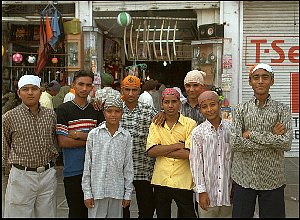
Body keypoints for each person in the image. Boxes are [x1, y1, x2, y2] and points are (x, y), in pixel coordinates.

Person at [231, 63, 292, 218]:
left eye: (265, 77)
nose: (260, 81)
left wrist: (251, 134)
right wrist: (272, 136)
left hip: (272, 179)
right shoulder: (240, 110)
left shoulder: (282, 110)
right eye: (256, 77)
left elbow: (286, 143)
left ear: (272, 81)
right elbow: (236, 143)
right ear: (250, 81)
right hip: (244, 178)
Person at [2, 75, 59, 217]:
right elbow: (5, 146)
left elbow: (53, 140)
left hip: (47, 174)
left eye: (34, 89)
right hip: (22, 175)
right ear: (19, 93)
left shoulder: (50, 115)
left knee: (48, 214)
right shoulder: (9, 117)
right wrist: (10, 172)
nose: (30, 92)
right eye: (25, 89)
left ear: (40, 91)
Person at [56, 70, 105, 218]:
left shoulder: (97, 110)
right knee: (76, 212)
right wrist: (92, 138)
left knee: (96, 213)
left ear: (92, 87)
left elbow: (103, 140)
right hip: (73, 170)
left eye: (88, 85)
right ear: (73, 85)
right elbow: (63, 141)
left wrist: (78, 135)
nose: (84, 88)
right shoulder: (63, 110)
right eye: (81, 84)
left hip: (96, 172)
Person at [146, 88, 197, 218]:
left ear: (179, 103)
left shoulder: (190, 124)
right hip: (161, 179)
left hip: (183, 180)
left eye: (174, 101)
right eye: (166, 102)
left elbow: (189, 154)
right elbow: (151, 151)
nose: (170, 105)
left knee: (188, 215)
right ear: (161, 104)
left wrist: (161, 150)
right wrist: (177, 146)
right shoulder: (156, 124)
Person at [82, 96, 134, 218]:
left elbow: (128, 167)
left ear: (122, 113)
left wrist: (127, 193)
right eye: (109, 111)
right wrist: (87, 193)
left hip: (117, 190)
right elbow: (87, 165)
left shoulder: (125, 136)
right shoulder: (94, 134)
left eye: (117, 111)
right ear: (104, 112)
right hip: (97, 190)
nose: (113, 115)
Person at [189, 91, 233, 218]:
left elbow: (236, 159)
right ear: (200, 109)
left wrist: (235, 186)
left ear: (219, 104)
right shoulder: (198, 133)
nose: (209, 109)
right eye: (204, 107)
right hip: (208, 195)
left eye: (212, 105)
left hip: (227, 192)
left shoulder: (231, 128)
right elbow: (196, 164)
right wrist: (201, 192)